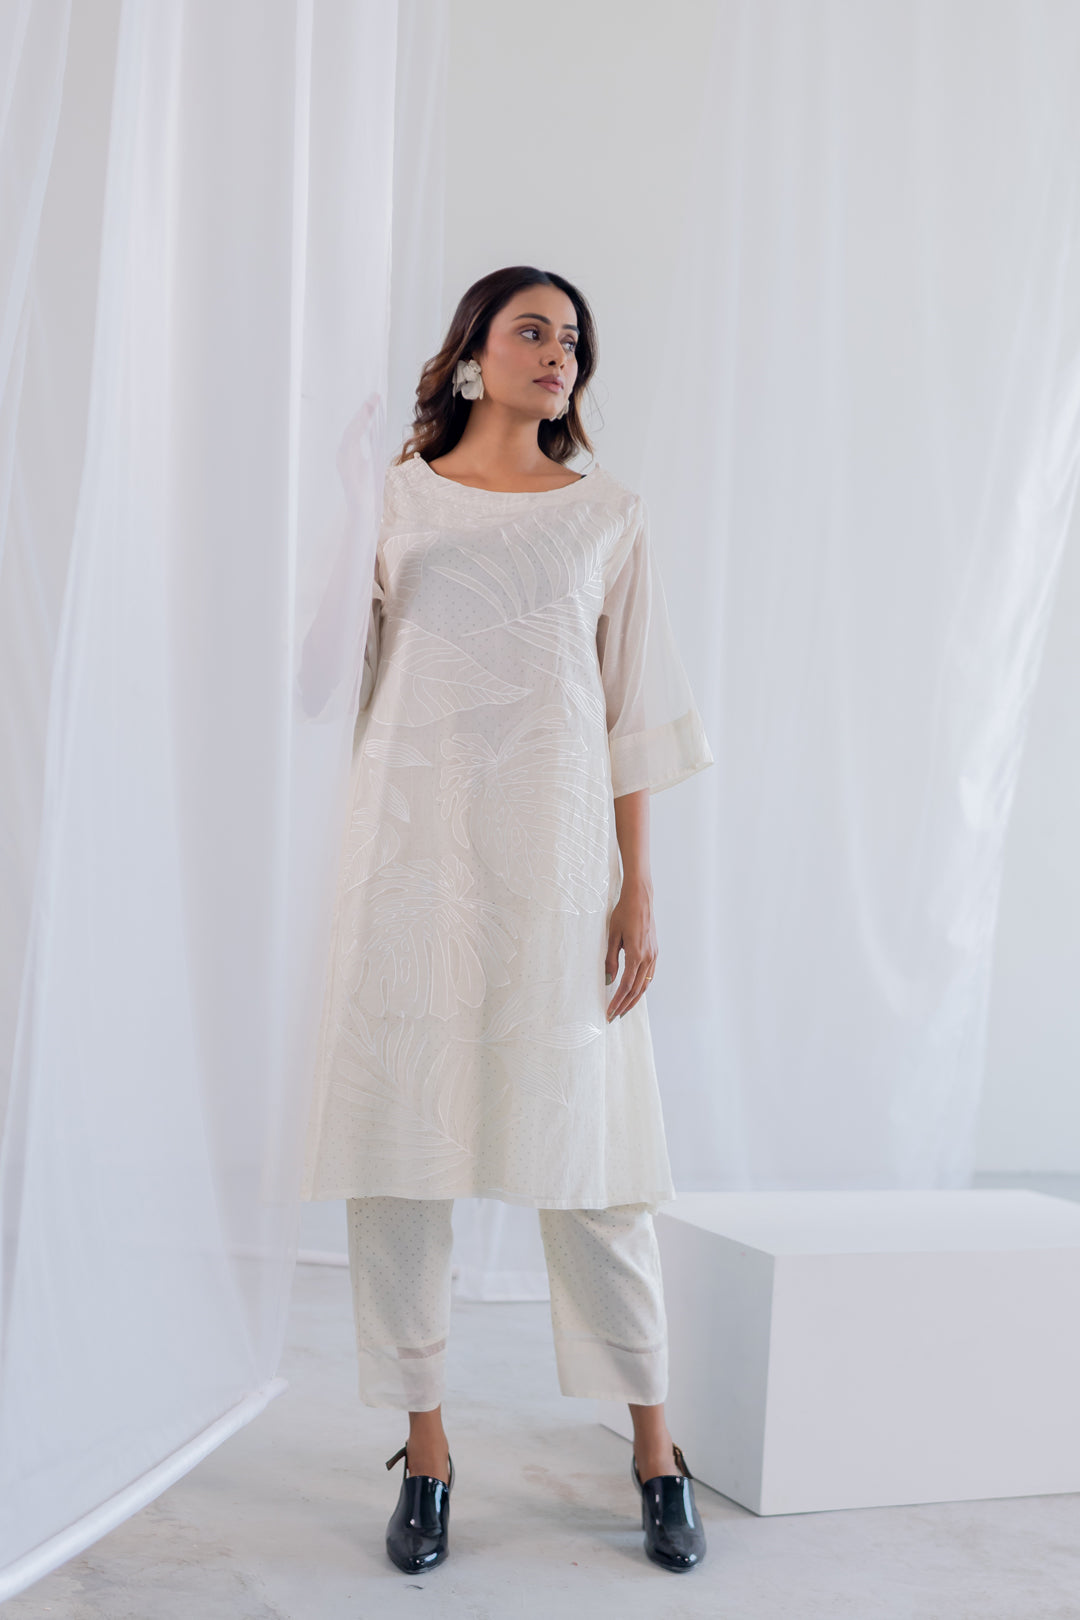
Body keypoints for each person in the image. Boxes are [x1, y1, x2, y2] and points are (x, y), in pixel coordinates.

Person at [301, 265, 715, 1574]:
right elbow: (318, 678)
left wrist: (637, 885)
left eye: (573, 339)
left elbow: (633, 714)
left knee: (593, 1167)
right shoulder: (396, 499)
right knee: (401, 1157)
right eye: (532, 330)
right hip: (409, 865)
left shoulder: (609, 515)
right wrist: (341, 499)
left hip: (555, 871)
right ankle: (425, 1452)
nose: (558, 354)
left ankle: (657, 1448)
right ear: (472, 352)